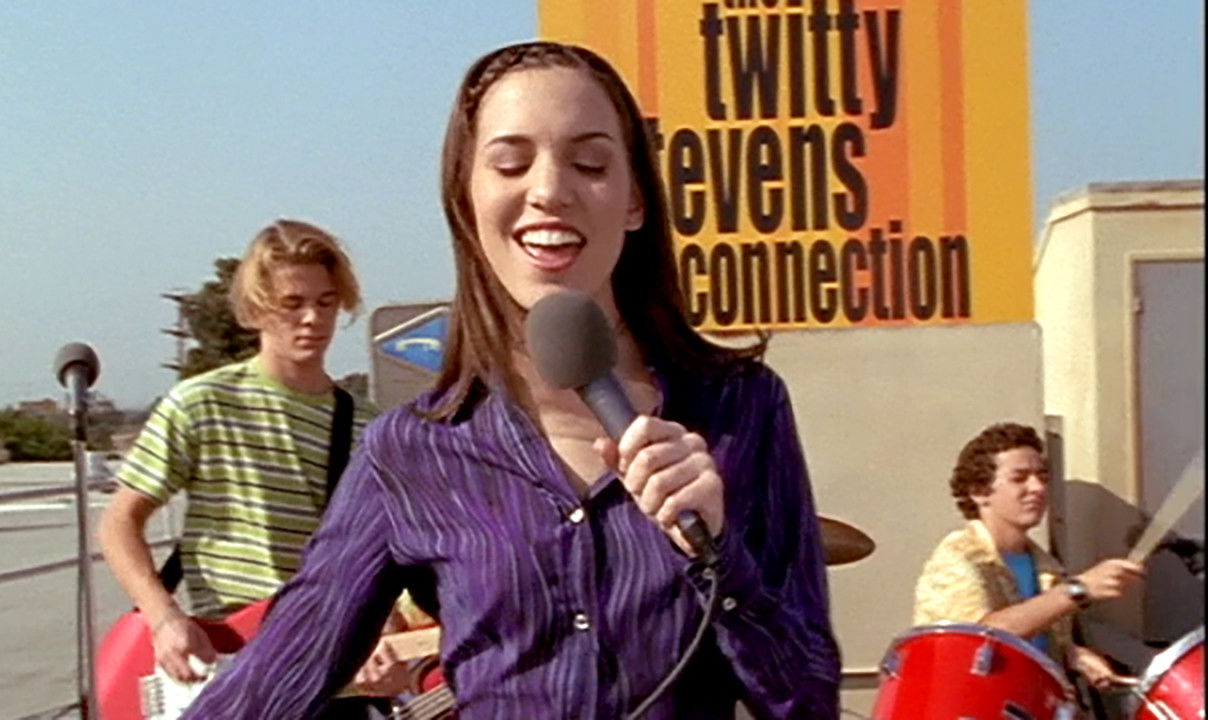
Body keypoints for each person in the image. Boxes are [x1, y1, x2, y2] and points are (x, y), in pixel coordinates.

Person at [181, 41, 840, 720]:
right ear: (467, 201)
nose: (550, 191)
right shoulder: (408, 453)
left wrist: (722, 555)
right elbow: (273, 681)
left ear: (636, 200)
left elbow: (809, 696)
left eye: (590, 163)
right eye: (509, 164)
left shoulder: (742, 407)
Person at [97, 219, 415, 716]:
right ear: (256, 309)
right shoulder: (201, 404)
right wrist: (163, 618)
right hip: (228, 664)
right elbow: (119, 521)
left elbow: (388, 558)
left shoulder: (369, 428)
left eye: (326, 302)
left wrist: (388, 633)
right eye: (292, 304)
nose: (312, 319)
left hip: (330, 680)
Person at [913, 422, 1146, 691]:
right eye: (1019, 478)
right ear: (979, 492)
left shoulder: (1046, 567)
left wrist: (1074, 656)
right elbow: (975, 640)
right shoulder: (957, 560)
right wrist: (1077, 590)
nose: (1037, 487)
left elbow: (1034, 638)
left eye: (1042, 477)